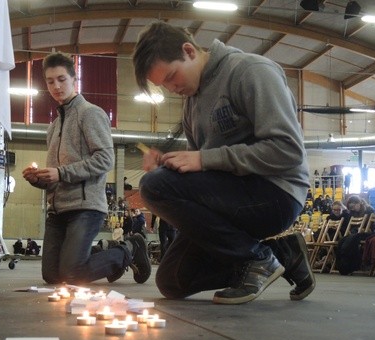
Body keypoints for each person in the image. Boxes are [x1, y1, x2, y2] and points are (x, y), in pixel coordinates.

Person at [132, 22, 313, 304]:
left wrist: (201, 160)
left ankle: (258, 258)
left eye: (171, 76)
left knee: (153, 187)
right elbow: (199, 174)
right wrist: (169, 166)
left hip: (276, 194)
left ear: (189, 51)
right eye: (163, 85)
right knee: (172, 281)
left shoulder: (250, 71)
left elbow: (288, 150)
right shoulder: (191, 102)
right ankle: (282, 255)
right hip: (232, 196)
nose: (171, 88)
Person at [22, 52, 151, 285]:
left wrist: (61, 172)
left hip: (86, 208)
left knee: (72, 275)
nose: (56, 86)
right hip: (58, 210)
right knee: (52, 276)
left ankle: (130, 247)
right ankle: (102, 257)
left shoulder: (90, 113)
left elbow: (105, 159)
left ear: (74, 79)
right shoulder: (53, 127)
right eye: (50, 81)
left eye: (62, 79)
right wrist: (38, 179)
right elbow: (56, 178)